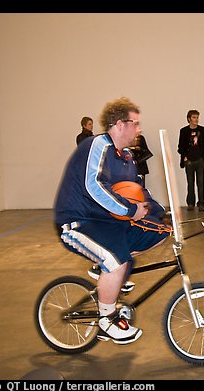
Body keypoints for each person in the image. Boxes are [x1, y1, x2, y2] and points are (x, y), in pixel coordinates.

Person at [54, 97, 169, 344]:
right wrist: (129, 211)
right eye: (135, 124)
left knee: (158, 232)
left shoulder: (126, 156)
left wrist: (161, 214)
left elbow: (139, 190)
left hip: (105, 222)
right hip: (78, 221)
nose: (139, 129)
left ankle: (107, 274)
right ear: (119, 124)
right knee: (117, 260)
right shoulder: (97, 145)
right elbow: (92, 186)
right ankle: (107, 320)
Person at [177, 110, 204, 211]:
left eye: (197, 117)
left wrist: (203, 155)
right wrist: (185, 156)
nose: (196, 119)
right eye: (194, 117)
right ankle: (191, 203)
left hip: (200, 160)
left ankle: (201, 203)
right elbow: (180, 146)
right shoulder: (183, 131)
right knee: (190, 182)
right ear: (189, 119)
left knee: (200, 183)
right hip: (189, 161)